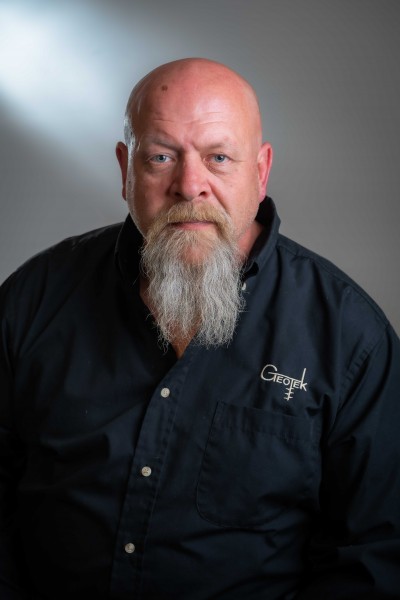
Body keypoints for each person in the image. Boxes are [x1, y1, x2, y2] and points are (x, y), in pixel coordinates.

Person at [0, 58, 399, 600]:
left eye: (218, 158)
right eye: (161, 157)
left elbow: (374, 556)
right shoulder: (33, 300)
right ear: (125, 169)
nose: (190, 186)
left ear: (261, 171)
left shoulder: (350, 337)